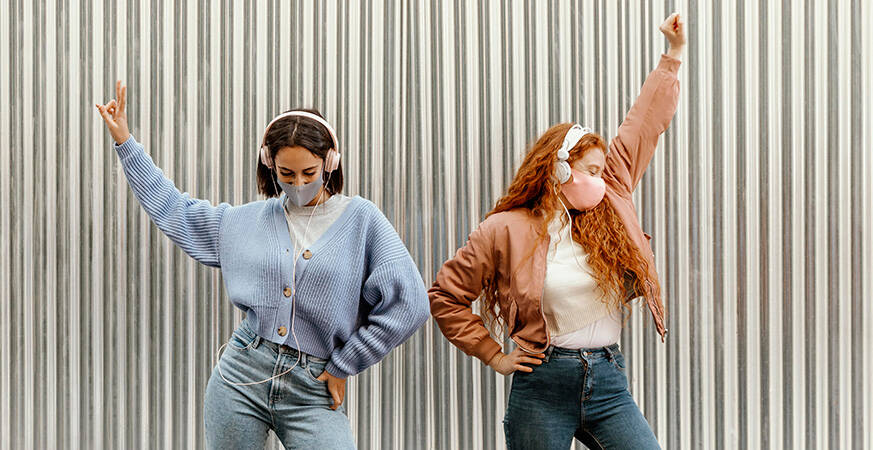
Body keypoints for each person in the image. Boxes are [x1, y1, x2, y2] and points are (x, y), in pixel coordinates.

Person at [96, 90, 430, 449]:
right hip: (241, 373)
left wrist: (344, 364)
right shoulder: (246, 221)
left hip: (312, 385)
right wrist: (125, 142)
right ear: (269, 164)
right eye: (286, 174)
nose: (298, 184)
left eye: (309, 173)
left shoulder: (363, 221)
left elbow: (410, 303)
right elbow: (177, 210)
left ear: (330, 163)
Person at [428, 13, 685, 450]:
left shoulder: (610, 198)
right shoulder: (503, 230)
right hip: (542, 387)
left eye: (605, 173)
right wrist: (494, 354)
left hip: (606, 379)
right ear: (559, 169)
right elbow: (445, 297)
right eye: (591, 171)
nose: (602, 182)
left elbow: (643, 124)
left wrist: (673, 56)